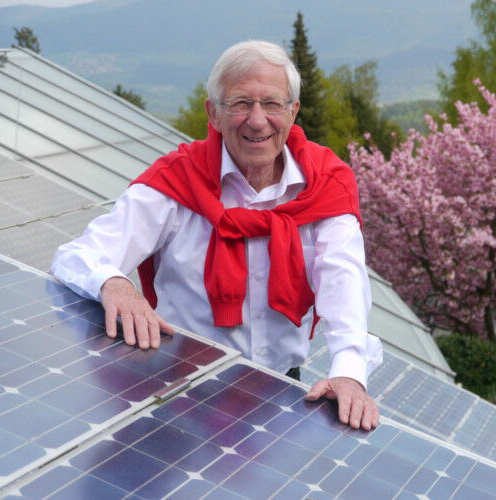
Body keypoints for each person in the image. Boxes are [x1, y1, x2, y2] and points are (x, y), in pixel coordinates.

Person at [51, 40, 382, 430]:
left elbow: (343, 278)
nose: (257, 120)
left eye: (272, 104)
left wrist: (349, 371)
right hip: (179, 393)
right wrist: (115, 283)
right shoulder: (176, 180)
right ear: (214, 113)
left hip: (280, 391)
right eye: (240, 103)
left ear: (292, 111)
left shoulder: (325, 184)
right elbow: (77, 256)